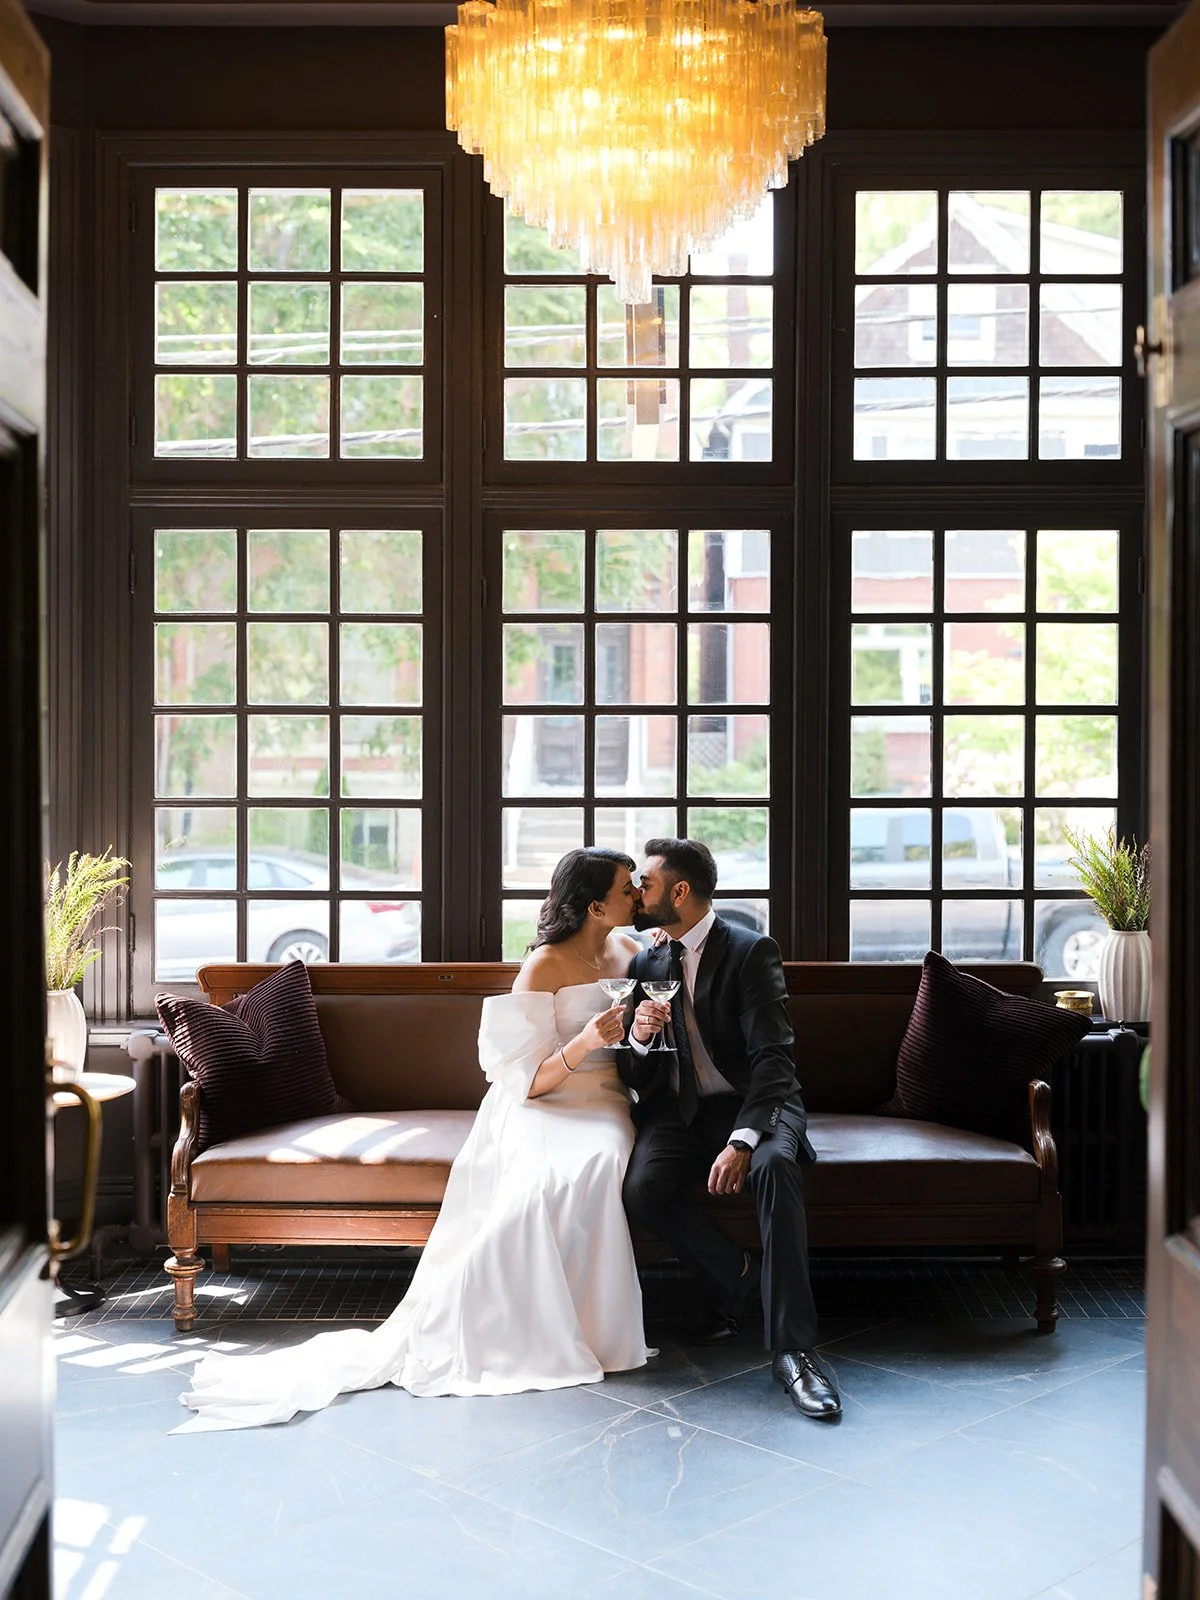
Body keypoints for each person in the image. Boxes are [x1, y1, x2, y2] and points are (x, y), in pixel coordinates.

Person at [174, 847, 651, 1432]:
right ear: (597, 904)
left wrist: (639, 1030)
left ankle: (594, 1328)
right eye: (629, 889)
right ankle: (502, 1326)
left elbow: (644, 1040)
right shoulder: (545, 967)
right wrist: (584, 1042)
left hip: (603, 1101)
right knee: (539, 1184)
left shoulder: (632, 952)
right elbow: (523, 1080)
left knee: (597, 1164)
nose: (639, 897)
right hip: (543, 1098)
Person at [617, 837, 841, 1421]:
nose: (639, 891)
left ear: (680, 891)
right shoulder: (648, 960)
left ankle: (794, 1352)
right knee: (643, 1189)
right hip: (684, 1111)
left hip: (759, 1105)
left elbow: (774, 1061)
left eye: (647, 882)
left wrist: (743, 1140)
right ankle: (744, 1280)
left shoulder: (749, 951)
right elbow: (636, 1071)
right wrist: (639, 1035)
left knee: (773, 1168)